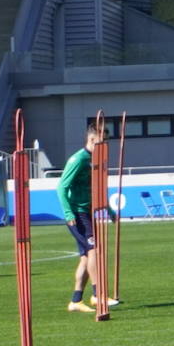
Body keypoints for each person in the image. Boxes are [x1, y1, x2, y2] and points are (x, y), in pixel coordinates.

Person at [58, 124, 117, 312]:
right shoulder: (78, 159)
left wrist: (109, 209)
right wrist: (68, 214)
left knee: (85, 257)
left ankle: (76, 301)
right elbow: (61, 187)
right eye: (103, 141)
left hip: (88, 211)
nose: (106, 144)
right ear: (92, 140)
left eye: (107, 141)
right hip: (78, 214)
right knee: (94, 251)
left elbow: (97, 187)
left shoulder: (95, 159)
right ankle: (98, 294)